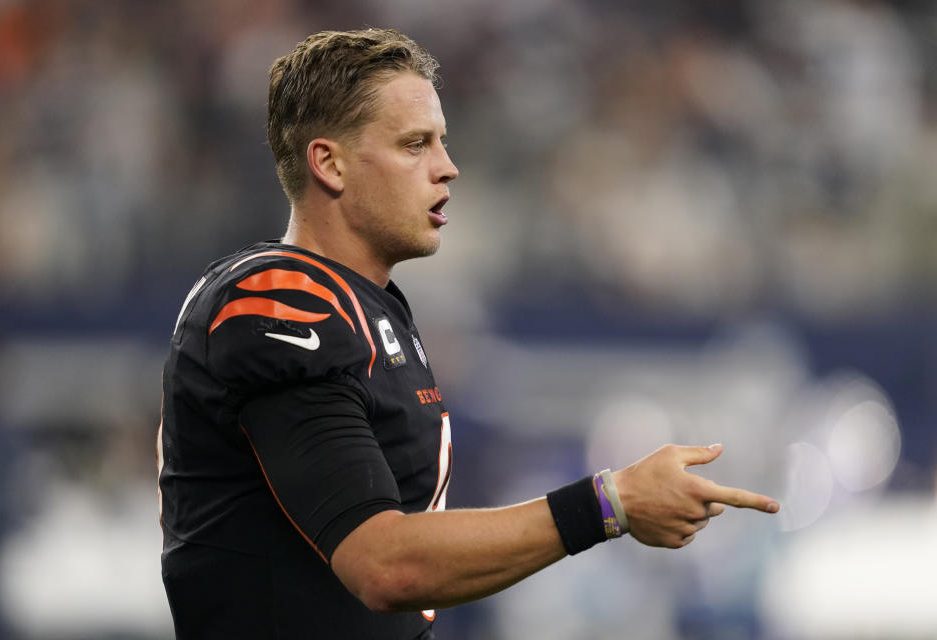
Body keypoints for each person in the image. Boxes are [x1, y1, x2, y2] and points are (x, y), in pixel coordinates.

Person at [157, 28, 779, 639]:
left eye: (442, 143)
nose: (447, 168)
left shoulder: (371, 306)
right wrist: (607, 503)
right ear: (329, 163)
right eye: (414, 144)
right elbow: (385, 566)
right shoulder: (279, 302)